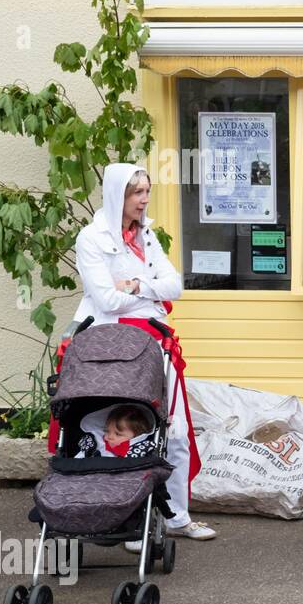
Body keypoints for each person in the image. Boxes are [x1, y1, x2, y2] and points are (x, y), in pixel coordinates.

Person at [72, 163, 214, 541]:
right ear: (119, 194)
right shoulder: (91, 238)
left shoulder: (146, 236)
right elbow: (103, 298)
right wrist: (147, 289)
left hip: (156, 340)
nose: (145, 199)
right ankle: (128, 519)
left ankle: (177, 517)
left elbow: (175, 286)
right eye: (138, 193)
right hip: (114, 347)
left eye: (147, 191)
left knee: (176, 430)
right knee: (124, 428)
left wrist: (136, 285)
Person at [75, 405, 157, 459]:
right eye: (106, 431)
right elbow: (79, 461)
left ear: (136, 437)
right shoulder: (96, 443)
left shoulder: (137, 452)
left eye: (118, 434)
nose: (109, 436)